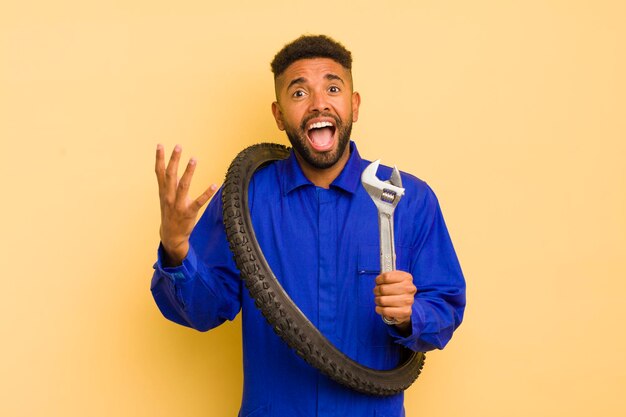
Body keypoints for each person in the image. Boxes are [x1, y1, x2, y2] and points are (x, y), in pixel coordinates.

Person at [151, 35, 466, 417]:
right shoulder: (245, 200)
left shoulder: (409, 201)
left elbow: (445, 310)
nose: (319, 103)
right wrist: (176, 249)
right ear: (279, 115)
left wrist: (410, 314)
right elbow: (203, 312)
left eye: (333, 88)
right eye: (299, 93)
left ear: (354, 105)